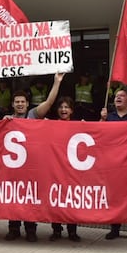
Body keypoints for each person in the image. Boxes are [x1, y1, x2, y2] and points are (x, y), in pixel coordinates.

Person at [3, 72, 64, 242]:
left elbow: (50, 102)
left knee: (30, 199)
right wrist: (3, 124)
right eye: (17, 102)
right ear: (13, 105)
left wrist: (56, 82)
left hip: (31, 167)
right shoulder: (7, 120)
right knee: (14, 198)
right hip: (13, 169)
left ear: (28, 104)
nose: (20, 104)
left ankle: (31, 229)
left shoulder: (33, 115)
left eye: (23, 102)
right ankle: (13, 228)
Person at [100, 88, 127, 242]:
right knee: (115, 195)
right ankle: (115, 228)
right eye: (116, 96)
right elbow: (99, 136)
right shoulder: (109, 117)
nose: (118, 98)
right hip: (113, 164)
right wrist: (102, 120)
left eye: (122, 96)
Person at [50, 96, 82, 242]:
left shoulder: (78, 125)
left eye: (66, 107)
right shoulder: (51, 125)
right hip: (56, 170)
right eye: (61, 107)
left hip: (71, 171)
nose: (63, 110)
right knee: (55, 201)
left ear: (71, 110)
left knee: (71, 201)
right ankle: (56, 230)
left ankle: (72, 231)